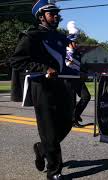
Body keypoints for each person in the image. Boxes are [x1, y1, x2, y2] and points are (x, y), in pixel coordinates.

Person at [10, 0, 73, 179]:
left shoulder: (61, 38)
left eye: (56, 13)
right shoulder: (31, 36)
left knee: (67, 123)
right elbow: (17, 61)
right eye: (51, 13)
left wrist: (80, 67)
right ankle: (54, 171)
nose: (55, 17)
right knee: (50, 131)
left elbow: (65, 63)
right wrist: (44, 69)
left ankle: (41, 148)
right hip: (42, 89)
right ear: (41, 16)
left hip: (61, 86)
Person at [65, 21, 91, 128]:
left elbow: (80, 66)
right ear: (70, 42)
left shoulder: (77, 53)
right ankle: (73, 120)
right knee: (71, 101)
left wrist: (86, 72)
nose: (77, 44)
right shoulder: (64, 52)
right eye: (75, 42)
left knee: (86, 97)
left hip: (78, 78)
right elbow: (65, 67)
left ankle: (76, 115)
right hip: (69, 79)